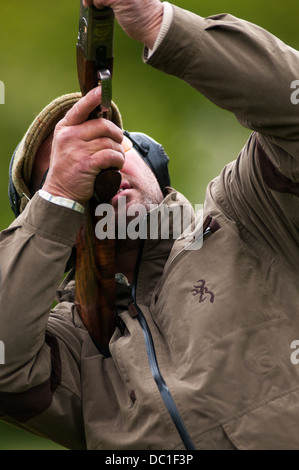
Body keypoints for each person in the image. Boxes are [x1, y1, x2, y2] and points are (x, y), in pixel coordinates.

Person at [0, 0, 298, 451]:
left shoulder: (249, 215)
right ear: (50, 222)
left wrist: (163, 25)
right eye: (65, 169)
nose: (100, 166)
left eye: (110, 142)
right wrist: (59, 195)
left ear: (149, 155)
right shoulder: (69, 342)